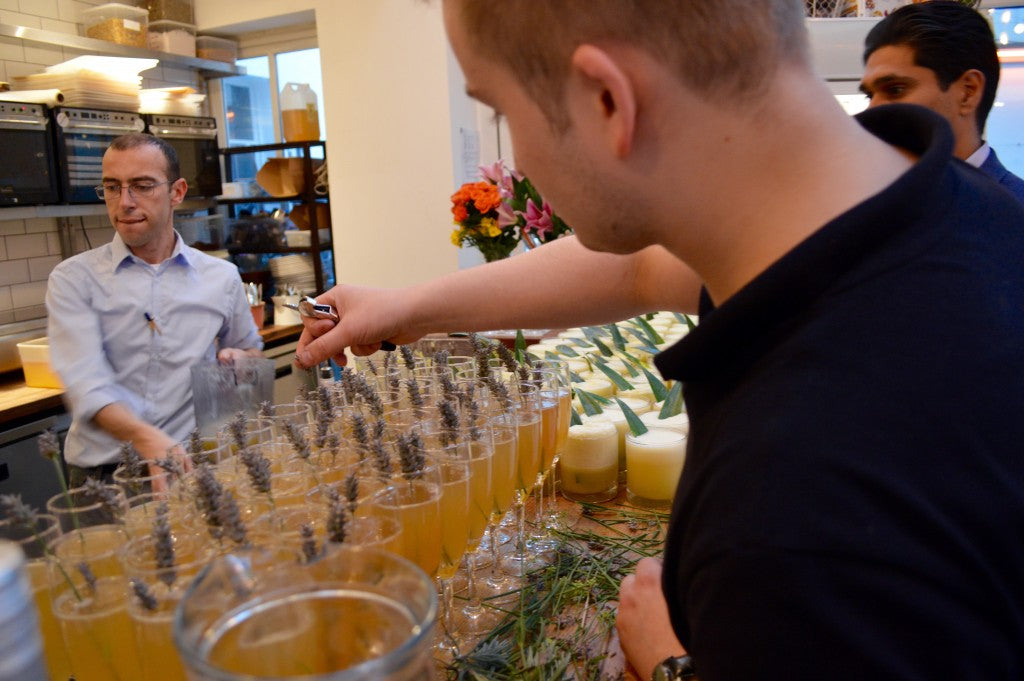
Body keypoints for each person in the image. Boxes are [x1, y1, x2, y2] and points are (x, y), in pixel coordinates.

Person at [297, 1, 1024, 679]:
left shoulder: (788, 512)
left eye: (502, 109)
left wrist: (674, 661)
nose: (517, 155)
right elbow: (642, 268)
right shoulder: (951, 210)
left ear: (607, 100)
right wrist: (407, 307)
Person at [46, 133, 264, 488]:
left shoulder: (221, 277)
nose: (125, 202)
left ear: (177, 192)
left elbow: (249, 350)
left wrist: (240, 360)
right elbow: (86, 384)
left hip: (190, 466)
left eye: (142, 186)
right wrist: (145, 438)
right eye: (112, 187)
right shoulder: (74, 279)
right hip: (104, 479)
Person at [862, 0, 1024, 204]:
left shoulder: (1014, 212)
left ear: (968, 92)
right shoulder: (873, 208)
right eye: (869, 96)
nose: (872, 111)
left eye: (896, 90)